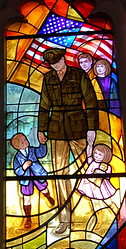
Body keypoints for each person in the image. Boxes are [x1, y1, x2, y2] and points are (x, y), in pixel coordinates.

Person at [37, 48, 99, 234]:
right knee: (59, 174)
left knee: (87, 169)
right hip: (56, 129)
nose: (56, 66)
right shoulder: (49, 79)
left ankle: (95, 212)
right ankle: (65, 219)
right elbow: (44, 104)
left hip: (78, 126)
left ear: (63, 58)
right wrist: (42, 128)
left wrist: (91, 129)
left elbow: (90, 101)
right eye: (52, 64)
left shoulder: (78, 74)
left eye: (57, 62)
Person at [11, 133, 55, 229]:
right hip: (26, 179)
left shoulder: (32, 150)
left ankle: (48, 196)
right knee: (27, 198)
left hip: (37, 174)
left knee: (44, 189)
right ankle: (28, 218)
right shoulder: (17, 158)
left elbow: (42, 153)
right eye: (23, 141)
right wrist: (23, 167)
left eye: (25, 139)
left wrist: (43, 144)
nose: (26, 141)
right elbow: (17, 171)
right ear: (17, 146)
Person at [77, 143, 118, 229]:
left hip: (101, 188)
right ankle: (99, 221)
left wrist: (101, 172)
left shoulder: (106, 166)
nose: (96, 155)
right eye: (95, 153)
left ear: (106, 156)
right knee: (95, 204)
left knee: (108, 202)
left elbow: (107, 176)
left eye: (100, 154)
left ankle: (117, 213)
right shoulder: (92, 162)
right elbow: (88, 153)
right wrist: (90, 142)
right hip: (90, 188)